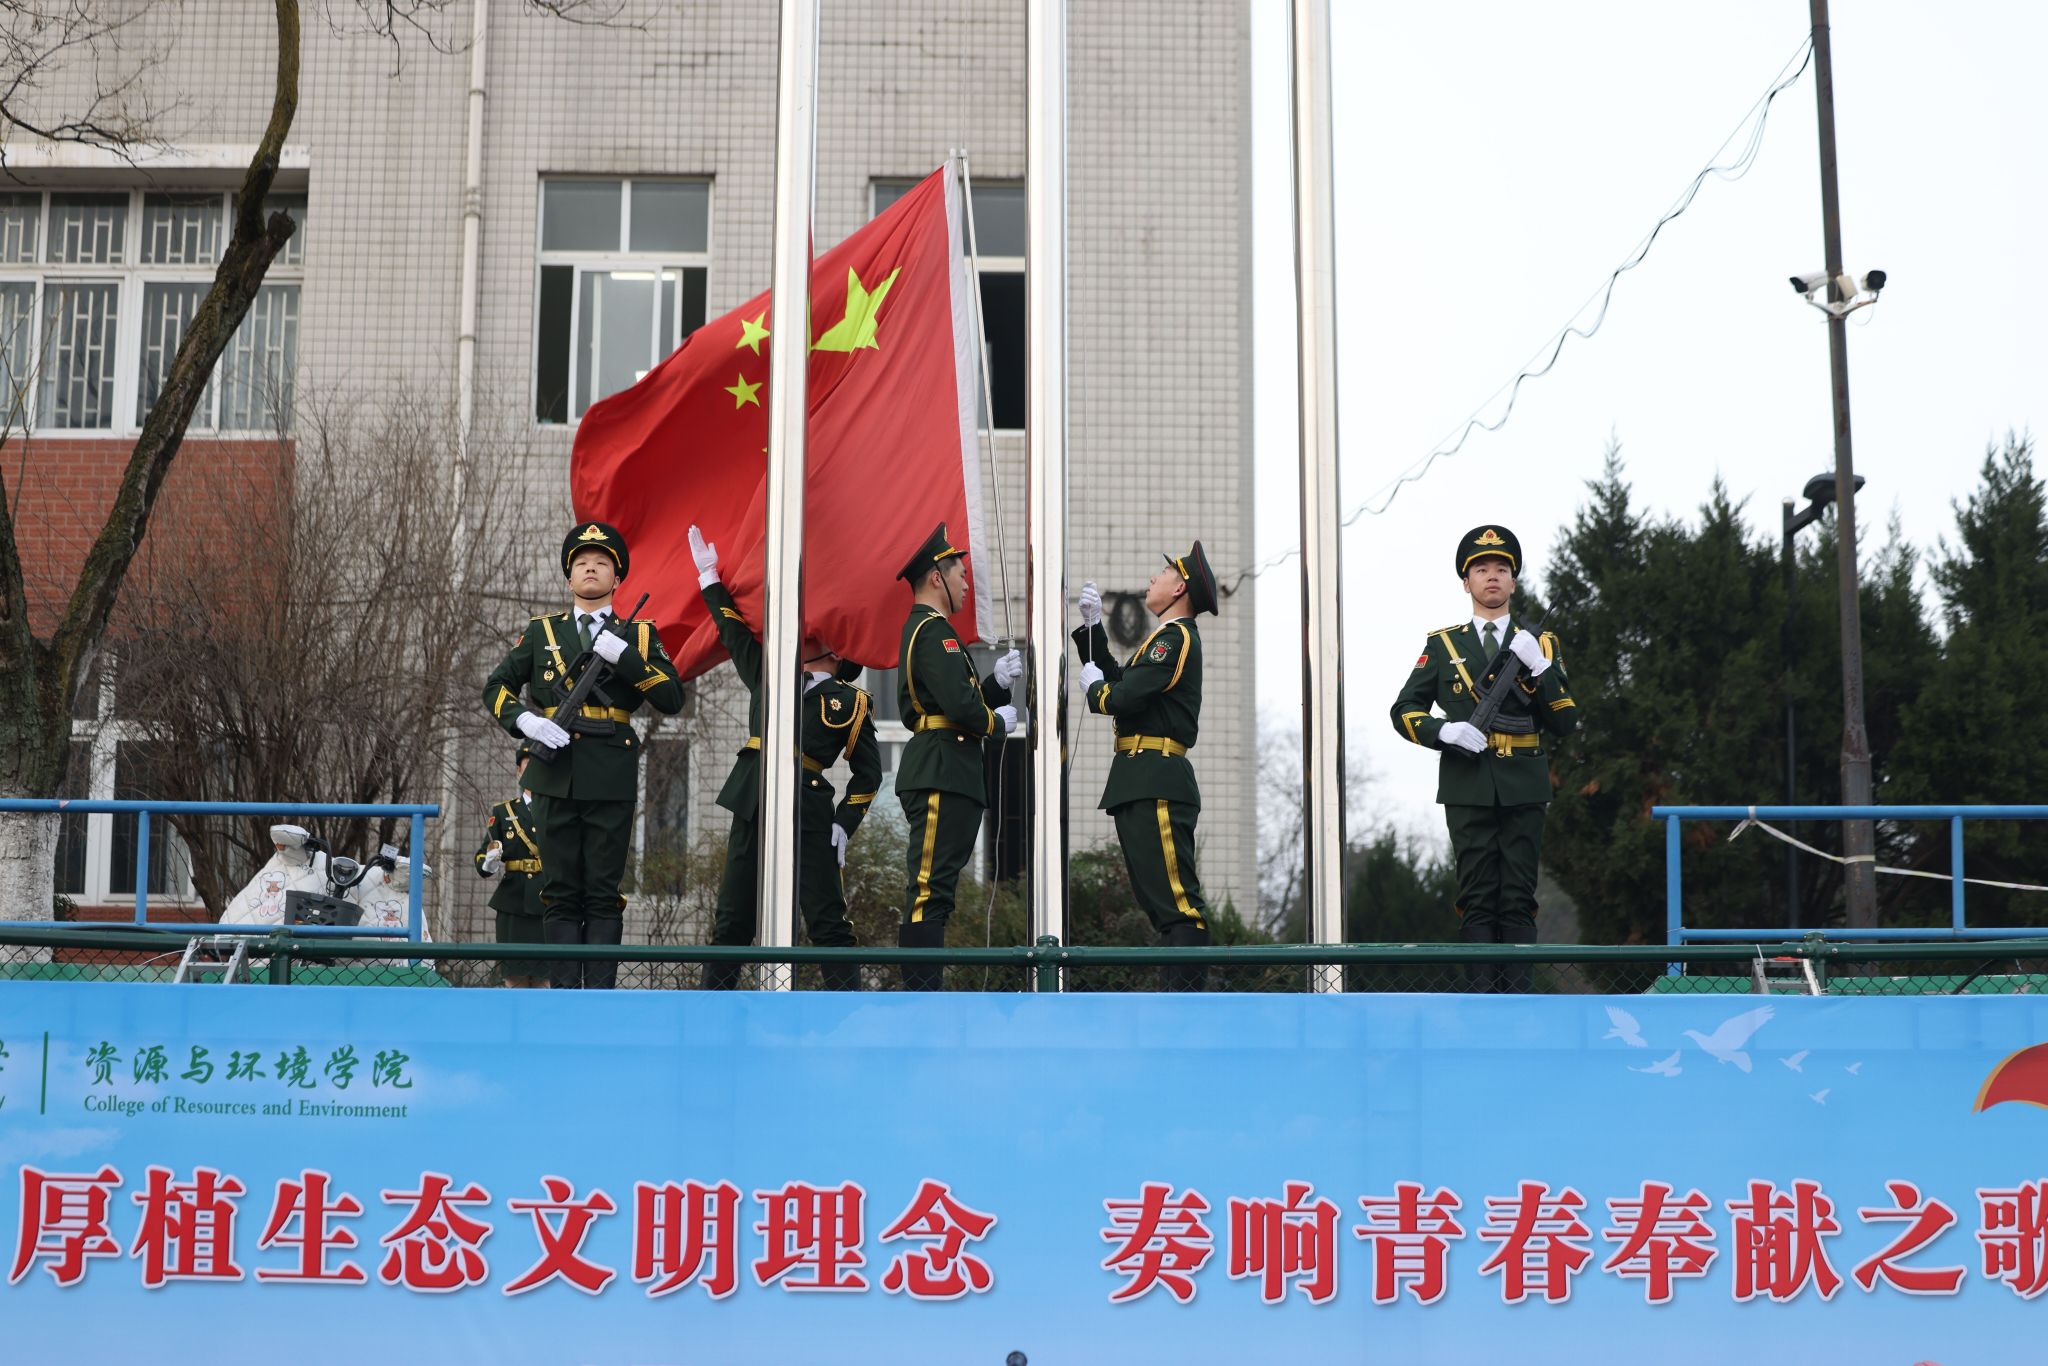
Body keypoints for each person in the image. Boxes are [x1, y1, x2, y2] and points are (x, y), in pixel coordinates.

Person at [483, 521, 685, 989]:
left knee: (602, 892)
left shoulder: (638, 634)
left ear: (617, 578)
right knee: (559, 891)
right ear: (568, 577)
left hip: (610, 772)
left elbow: (672, 697)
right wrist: (527, 721)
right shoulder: (542, 632)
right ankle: (563, 999)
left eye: (601, 563)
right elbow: (496, 687)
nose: (590, 569)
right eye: (581, 563)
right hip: (553, 772)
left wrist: (626, 657)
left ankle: (598, 1000)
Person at [689, 524, 881, 992]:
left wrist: (844, 823)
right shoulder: (769, 674)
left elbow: (869, 775)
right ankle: (712, 1015)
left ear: (835, 651)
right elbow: (734, 633)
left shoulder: (851, 700)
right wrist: (709, 579)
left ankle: (847, 1017)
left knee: (828, 923)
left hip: (808, 809)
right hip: (753, 799)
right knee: (732, 921)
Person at [1387, 525, 1576, 992]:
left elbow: (1565, 720)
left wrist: (1540, 668)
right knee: (1476, 896)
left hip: (1524, 784)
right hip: (1467, 783)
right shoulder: (1443, 645)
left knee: (1518, 896)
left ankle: (1517, 1003)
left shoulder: (1542, 644)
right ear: (1466, 582)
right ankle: (1480, 1003)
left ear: (1514, 581)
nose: (1492, 576)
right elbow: (1403, 710)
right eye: (1481, 569)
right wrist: (1443, 731)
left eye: (1501, 569)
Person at [1072, 543, 1218, 991]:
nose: (1154, 579)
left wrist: (1097, 692)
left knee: (1179, 904)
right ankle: (1175, 999)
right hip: (1140, 777)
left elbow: (1122, 695)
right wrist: (1093, 631)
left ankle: (1186, 1007)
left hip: (1157, 778)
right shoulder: (1162, 639)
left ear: (1180, 588)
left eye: (1164, 573)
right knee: (1162, 906)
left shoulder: (1175, 638)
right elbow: (1124, 680)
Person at [893, 523, 1020, 991]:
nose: (967, 583)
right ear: (936, 578)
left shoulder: (936, 633)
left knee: (938, 891)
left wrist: (994, 686)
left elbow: (954, 699)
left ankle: (926, 991)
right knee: (929, 890)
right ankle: (920, 998)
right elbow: (959, 707)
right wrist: (997, 722)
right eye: (960, 574)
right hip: (940, 770)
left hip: (951, 769)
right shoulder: (933, 632)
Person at [475, 743, 546, 988]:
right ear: (518, 771)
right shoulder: (503, 812)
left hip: (549, 901)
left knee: (545, 979)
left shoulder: (559, 811)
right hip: (514, 901)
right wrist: (490, 862)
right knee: (514, 978)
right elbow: (482, 856)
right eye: (528, 765)